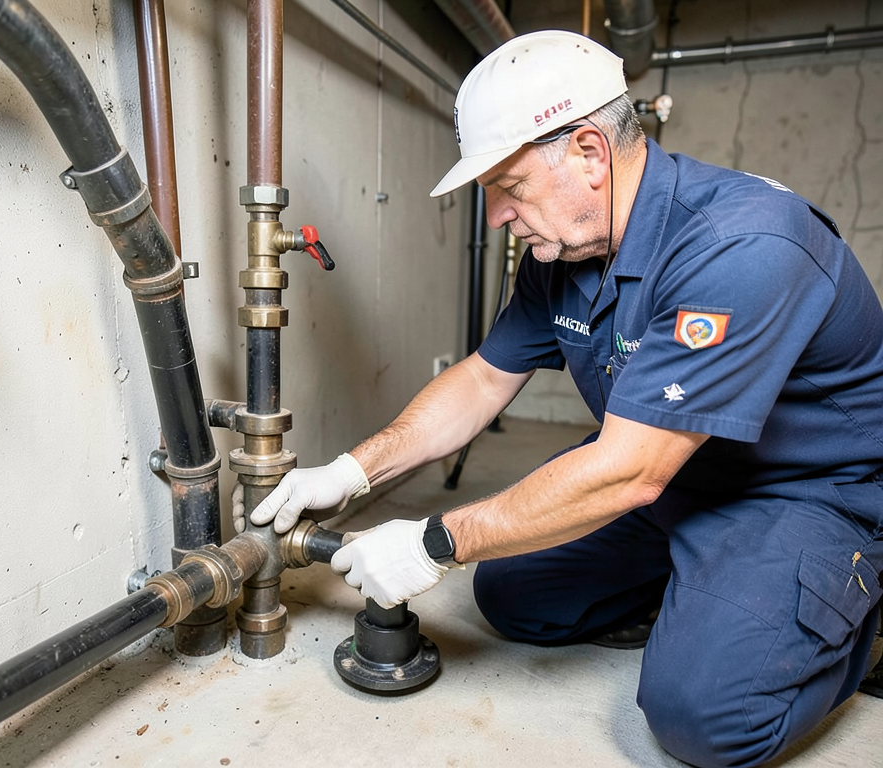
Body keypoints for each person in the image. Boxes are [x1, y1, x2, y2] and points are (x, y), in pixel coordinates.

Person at [248, 30, 883, 768]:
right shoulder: (565, 252)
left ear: (589, 152)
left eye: (508, 189)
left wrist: (434, 542)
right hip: (671, 472)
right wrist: (353, 472)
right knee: (516, 597)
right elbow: (485, 379)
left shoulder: (745, 246)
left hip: (799, 491)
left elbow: (630, 471)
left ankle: (853, 616)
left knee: (705, 719)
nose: (496, 218)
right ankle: (706, 583)